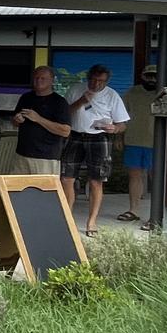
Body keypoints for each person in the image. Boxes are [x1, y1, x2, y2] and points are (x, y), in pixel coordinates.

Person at [61, 64, 129, 237]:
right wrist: (81, 101)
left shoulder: (112, 95)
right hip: (76, 134)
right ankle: (66, 218)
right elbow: (64, 113)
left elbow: (122, 124)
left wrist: (114, 129)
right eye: (93, 80)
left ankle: (92, 221)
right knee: (67, 177)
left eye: (101, 81)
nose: (96, 84)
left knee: (96, 180)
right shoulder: (76, 89)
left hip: (99, 137)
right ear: (88, 78)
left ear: (106, 81)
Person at [11, 66, 71, 175]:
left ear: (52, 81)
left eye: (43, 78)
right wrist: (17, 120)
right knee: (18, 189)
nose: (39, 80)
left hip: (46, 157)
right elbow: (14, 123)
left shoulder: (59, 102)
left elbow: (65, 131)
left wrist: (38, 119)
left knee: (42, 190)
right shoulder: (26, 97)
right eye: (36, 78)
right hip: (22, 153)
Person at [120, 64, 160, 229]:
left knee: (156, 178)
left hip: (157, 142)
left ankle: (156, 215)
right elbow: (120, 114)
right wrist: (118, 135)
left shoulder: (165, 93)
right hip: (133, 140)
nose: (151, 79)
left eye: (155, 76)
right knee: (134, 176)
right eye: (148, 75)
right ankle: (134, 210)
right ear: (143, 76)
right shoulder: (131, 92)